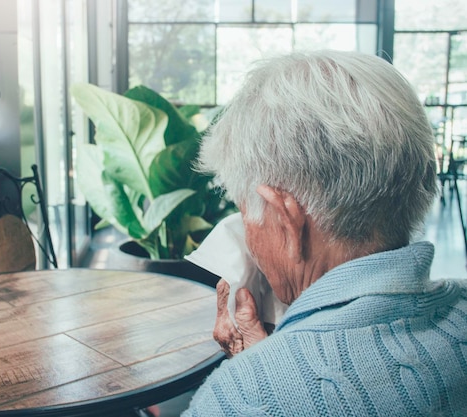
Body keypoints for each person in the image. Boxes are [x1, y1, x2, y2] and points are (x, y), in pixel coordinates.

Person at [181, 50, 467, 416]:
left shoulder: (241, 397)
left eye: (243, 212)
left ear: (287, 221)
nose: (244, 237)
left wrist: (258, 378)